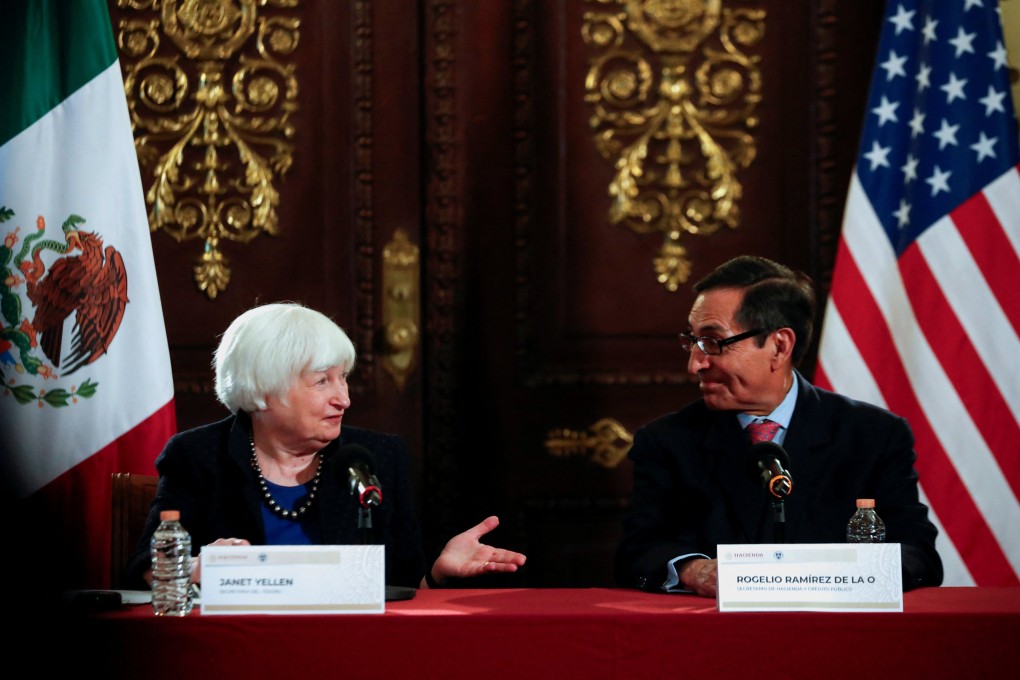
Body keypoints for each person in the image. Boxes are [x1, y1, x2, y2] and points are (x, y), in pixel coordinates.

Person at [126, 302, 525, 590]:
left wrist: (439, 573)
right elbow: (148, 566)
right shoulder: (197, 456)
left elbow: (403, 587)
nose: (344, 399)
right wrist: (200, 565)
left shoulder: (378, 458)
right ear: (264, 390)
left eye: (343, 379)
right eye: (322, 382)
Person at [615, 255, 943, 596]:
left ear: (779, 346)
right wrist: (694, 571)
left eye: (713, 343)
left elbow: (919, 558)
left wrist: (829, 576)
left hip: (834, 635)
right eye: (692, 341)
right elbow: (638, 553)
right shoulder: (667, 442)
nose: (695, 363)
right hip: (712, 635)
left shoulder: (874, 436)